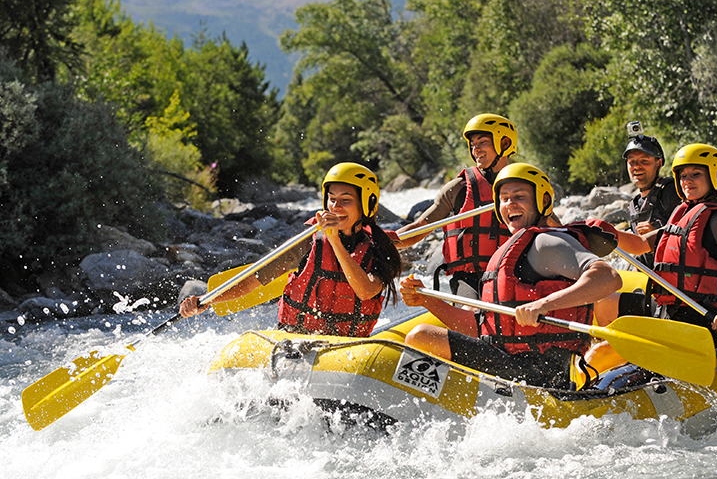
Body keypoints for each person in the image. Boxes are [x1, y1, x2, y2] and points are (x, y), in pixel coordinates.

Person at [400, 163, 622, 388]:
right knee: (423, 337)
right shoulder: (514, 250)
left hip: (541, 373)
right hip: (509, 363)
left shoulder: (546, 242)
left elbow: (608, 277)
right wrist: (426, 300)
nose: (510, 204)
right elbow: (481, 330)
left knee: (420, 336)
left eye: (519, 197)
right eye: (504, 198)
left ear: (543, 201)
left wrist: (543, 305)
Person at [180, 162, 402, 337]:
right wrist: (205, 301)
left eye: (346, 200)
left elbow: (365, 291)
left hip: (349, 346)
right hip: (297, 338)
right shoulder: (308, 242)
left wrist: (334, 240)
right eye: (332, 199)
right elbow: (251, 282)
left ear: (366, 203)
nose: (336, 207)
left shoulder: (380, 249)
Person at [595, 143, 717, 340]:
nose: (687, 181)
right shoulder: (684, 213)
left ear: (716, 176)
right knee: (603, 304)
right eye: (683, 176)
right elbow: (640, 244)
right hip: (669, 309)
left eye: (696, 174)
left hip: (699, 318)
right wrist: (602, 232)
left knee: (606, 345)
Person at [394, 114, 517, 298]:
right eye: (473, 144)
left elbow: (551, 229)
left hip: (512, 276)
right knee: (470, 310)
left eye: (482, 142)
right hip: (469, 279)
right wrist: (377, 242)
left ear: (505, 143)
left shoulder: (525, 187)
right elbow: (418, 229)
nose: (475, 149)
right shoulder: (458, 188)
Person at [617, 122, 681, 267]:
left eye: (644, 161)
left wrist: (656, 237)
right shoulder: (635, 205)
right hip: (650, 273)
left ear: (659, 163)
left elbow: (690, 239)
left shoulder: (672, 191)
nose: (636, 166)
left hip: (673, 274)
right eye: (632, 162)